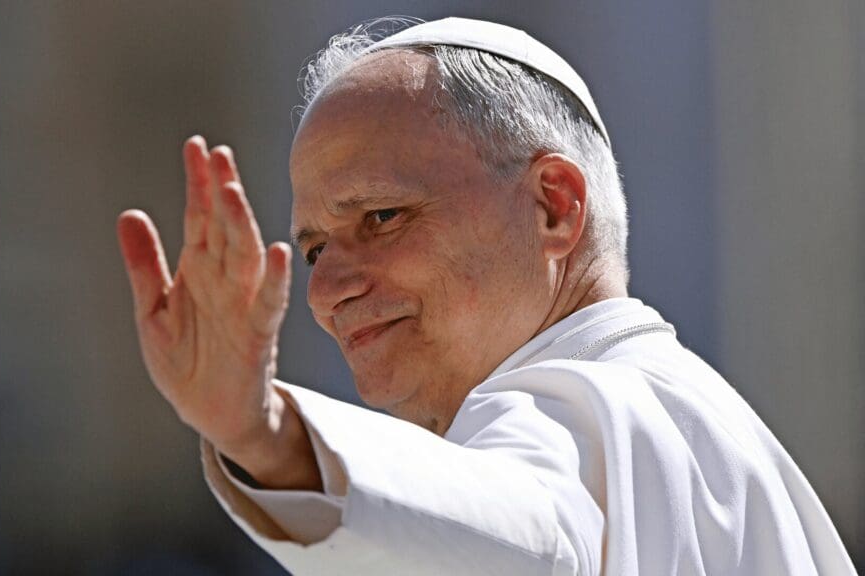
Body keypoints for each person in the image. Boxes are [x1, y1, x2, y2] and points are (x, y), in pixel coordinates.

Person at [116, 17, 855, 575]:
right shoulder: (710, 428)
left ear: (554, 207)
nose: (326, 292)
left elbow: (518, 531)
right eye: (314, 250)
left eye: (382, 217)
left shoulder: (585, 412)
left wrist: (265, 435)